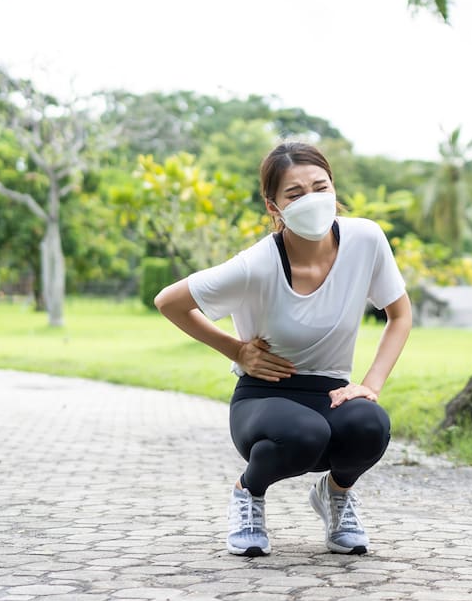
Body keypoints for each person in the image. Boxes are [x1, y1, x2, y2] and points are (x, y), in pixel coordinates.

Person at [154, 141, 412, 557]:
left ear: (333, 189)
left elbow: (399, 315)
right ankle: (247, 493)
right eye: (294, 194)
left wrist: (370, 384)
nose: (311, 200)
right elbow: (169, 301)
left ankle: (336, 494)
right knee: (305, 434)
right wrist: (236, 350)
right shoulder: (257, 263)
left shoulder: (366, 239)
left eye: (320, 187)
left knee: (370, 424)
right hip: (265, 397)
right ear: (273, 207)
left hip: (331, 390)